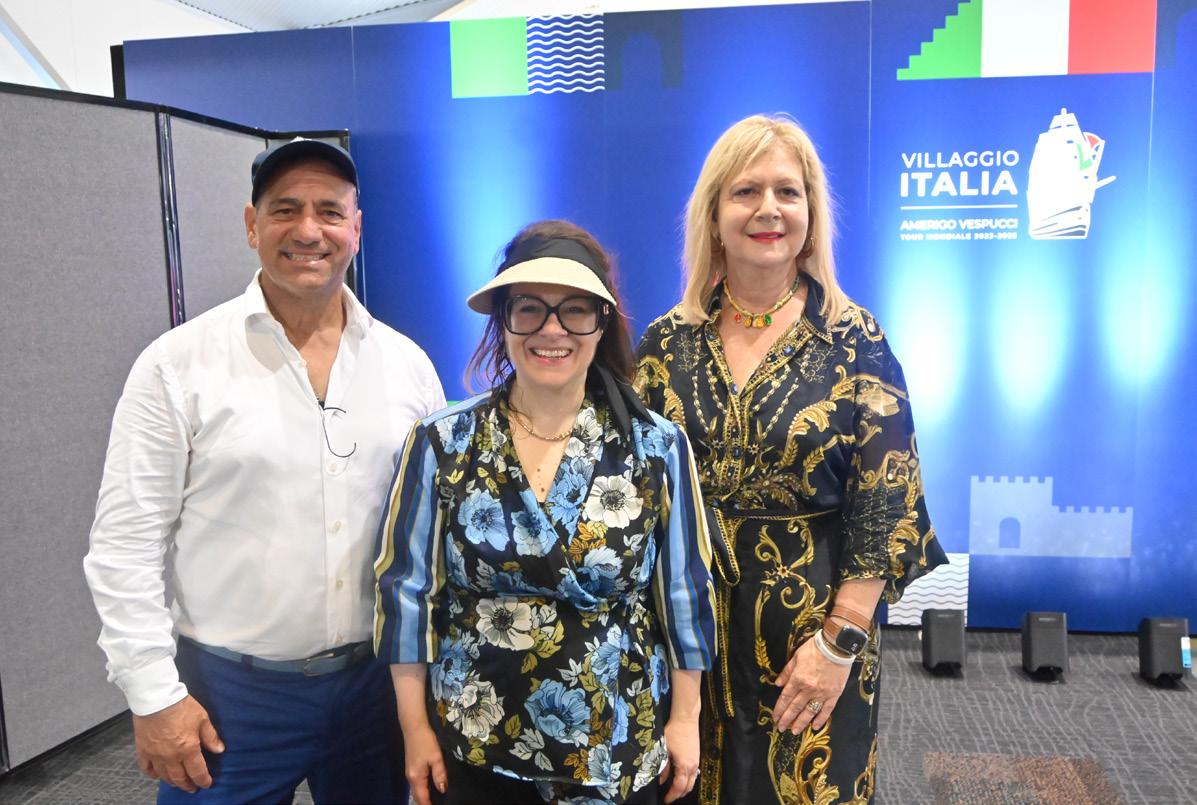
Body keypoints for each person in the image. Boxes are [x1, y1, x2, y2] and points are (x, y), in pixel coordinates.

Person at [83, 138, 445, 803]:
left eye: (329, 211)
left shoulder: (407, 367)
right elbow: (124, 546)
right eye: (285, 210)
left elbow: (430, 537)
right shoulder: (177, 366)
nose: (308, 230)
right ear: (252, 225)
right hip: (229, 699)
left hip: (374, 688)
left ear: (356, 229)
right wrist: (153, 695)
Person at [635, 114, 948, 803]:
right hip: (685, 645)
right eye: (746, 192)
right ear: (713, 214)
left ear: (810, 215)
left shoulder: (854, 339)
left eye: (787, 191)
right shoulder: (664, 344)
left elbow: (887, 505)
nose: (768, 209)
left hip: (812, 640)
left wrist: (838, 644)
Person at [374, 221, 717, 805]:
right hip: (476, 740)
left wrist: (686, 719)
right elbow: (406, 593)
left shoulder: (656, 446)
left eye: (574, 310)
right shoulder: (442, 441)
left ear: (602, 323)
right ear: (502, 321)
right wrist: (414, 728)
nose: (551, 329)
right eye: (529, 308)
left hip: (615, 738)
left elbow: (684, 592)